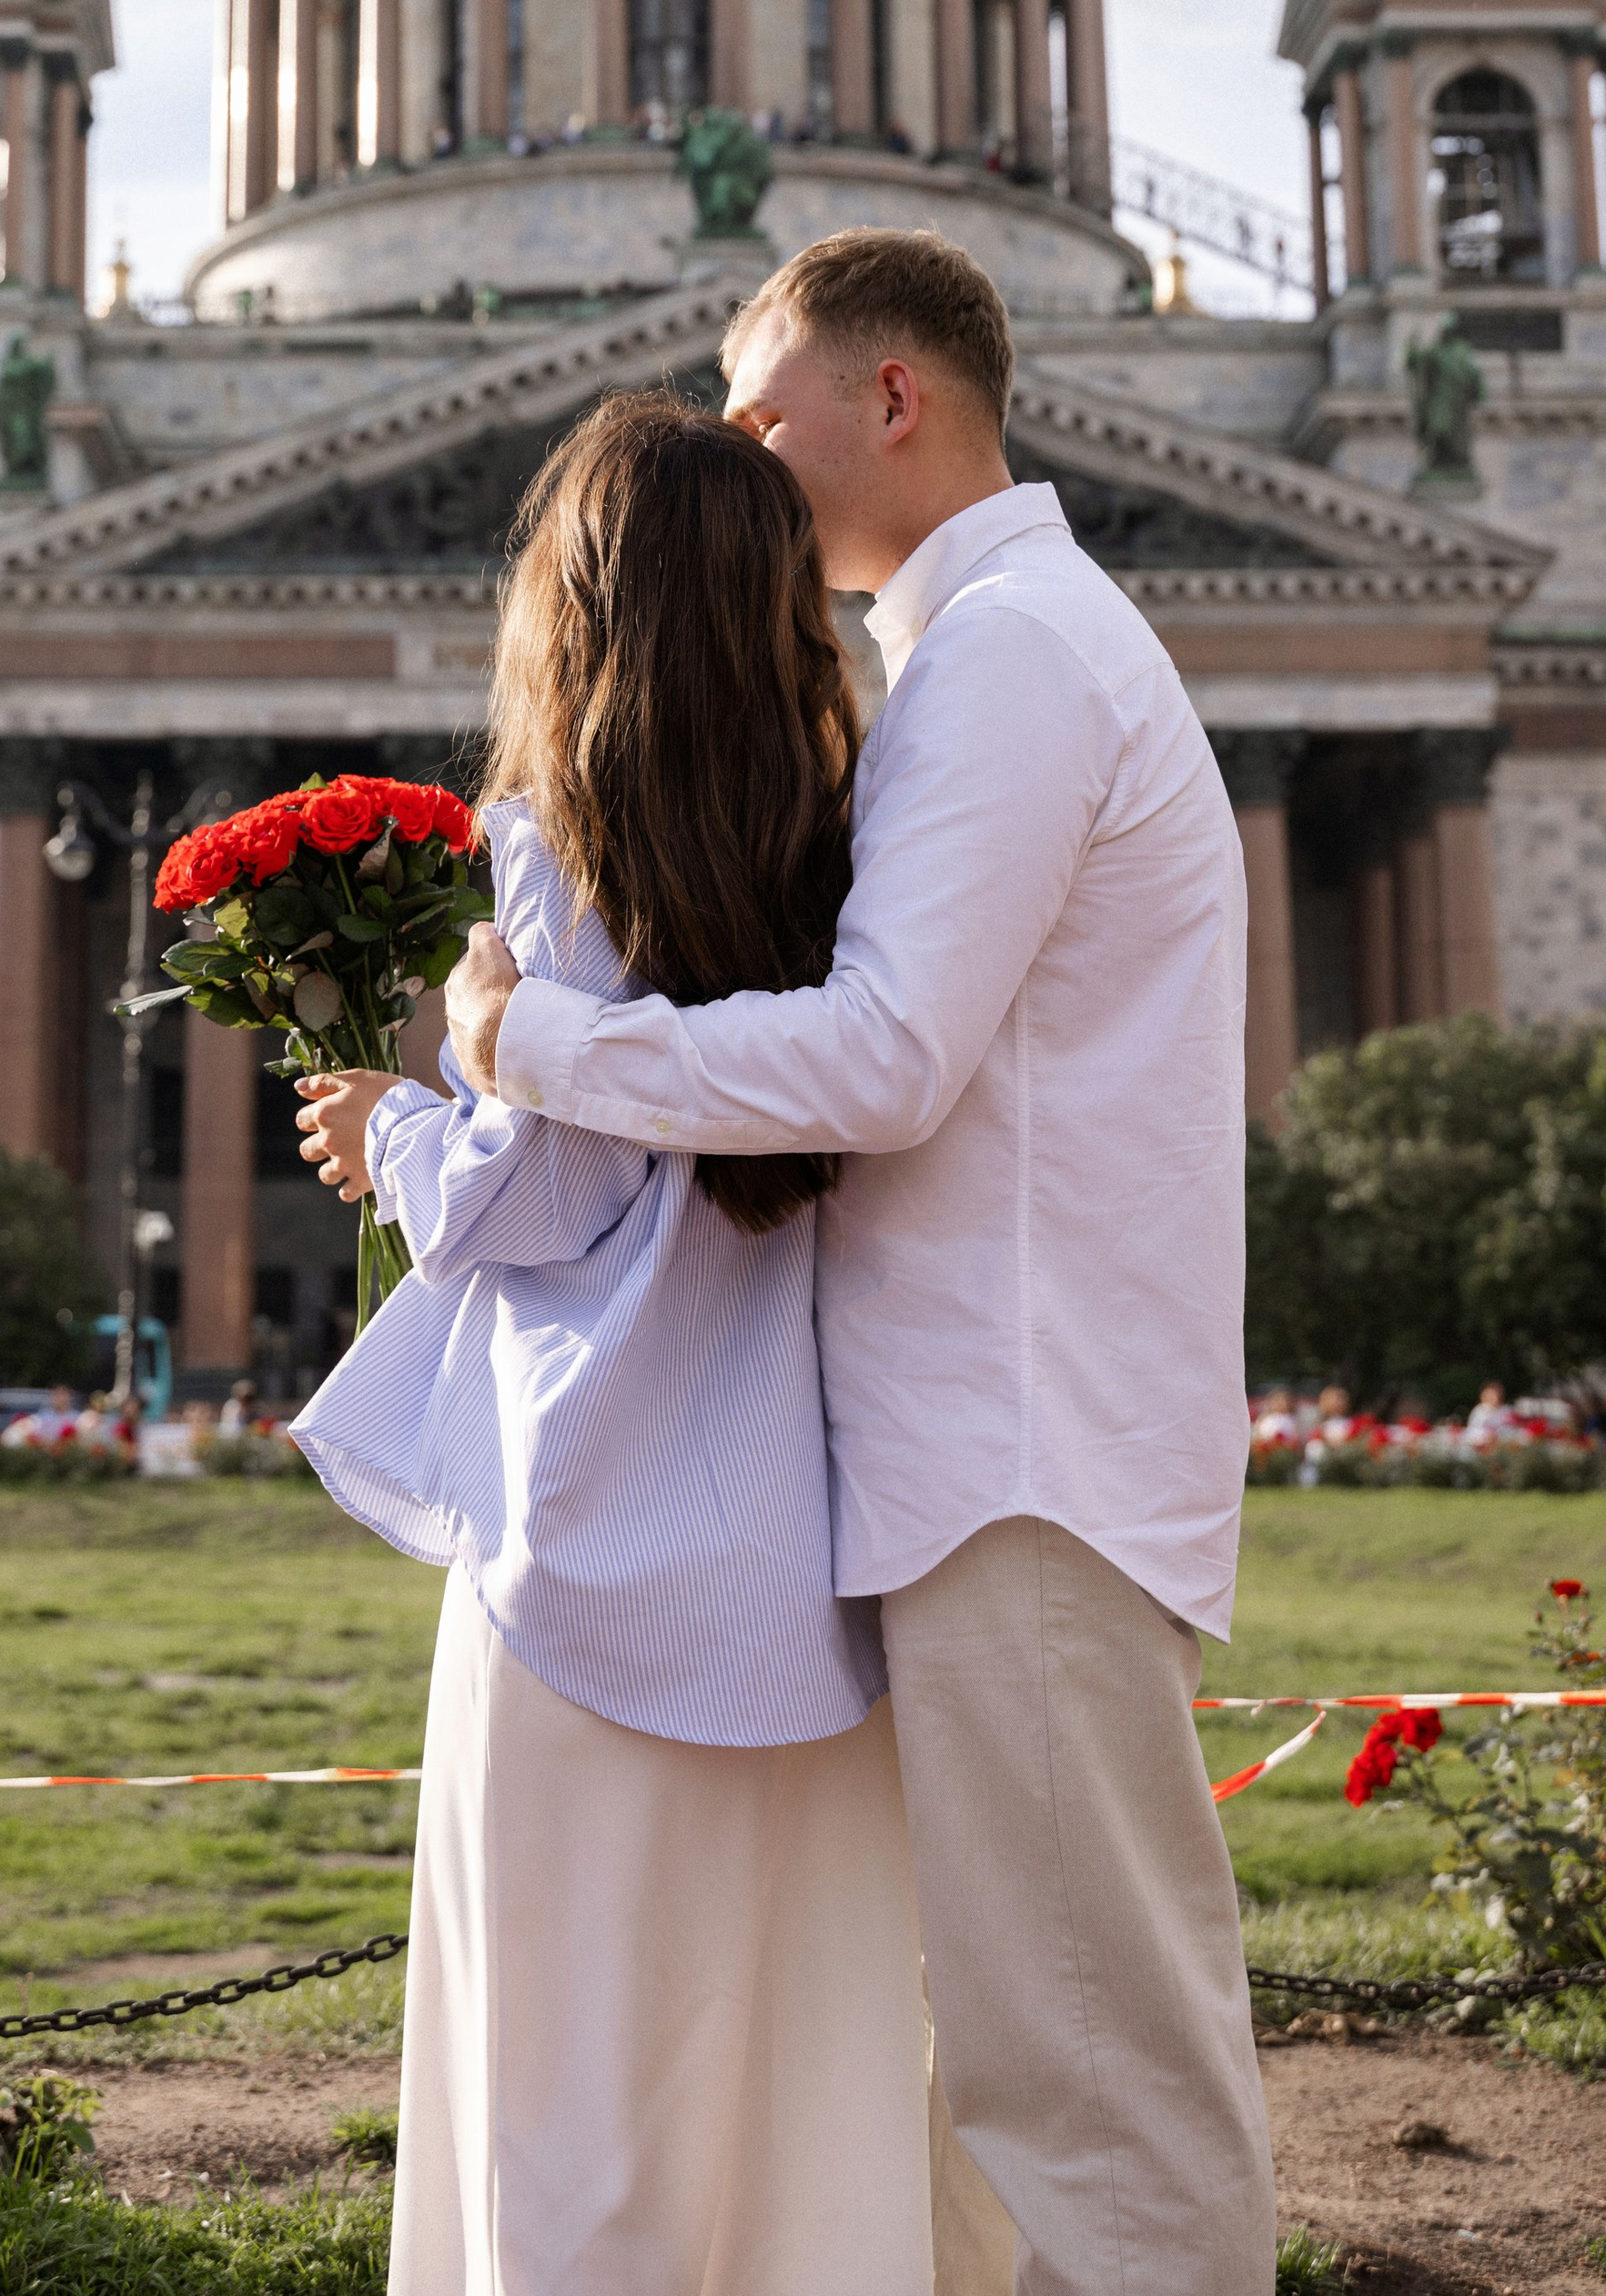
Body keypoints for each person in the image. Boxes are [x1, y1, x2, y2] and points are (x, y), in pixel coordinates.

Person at [418, 227, 1277, 2296]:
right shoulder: (993, 649)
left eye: (760, 396)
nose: (732, 441)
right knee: (990, 2086)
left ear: (891, 398)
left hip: (1016, 1453)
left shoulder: (1004, 656)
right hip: (973, 1446)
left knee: (1081, 2077)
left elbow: (883, 1058)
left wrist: (520, 1039)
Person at [291, 393, 966, 2296]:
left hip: (583, 1551)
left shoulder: (553, 845)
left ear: (568, 600)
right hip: (818, 1572)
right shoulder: (862, 833)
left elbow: (543, 1203)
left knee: (565, 2087)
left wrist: (395, 1125)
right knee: (804, 2079)